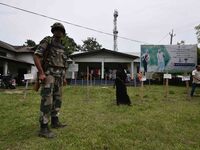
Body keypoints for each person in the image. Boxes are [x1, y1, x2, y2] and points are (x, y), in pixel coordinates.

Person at [34, 22, 68, 138]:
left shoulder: (63, 47)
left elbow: (64, 63)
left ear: (63, 33)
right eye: (56, 29)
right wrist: (41, 73)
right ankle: (43, 128)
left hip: (59, 77)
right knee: (47, 100)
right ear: (53, 31)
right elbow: (37, 56)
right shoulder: (47, 41)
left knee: (58, 100)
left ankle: (55, 121)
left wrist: (64, 77)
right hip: (49, 75)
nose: (58, 31)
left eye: (60, 30)